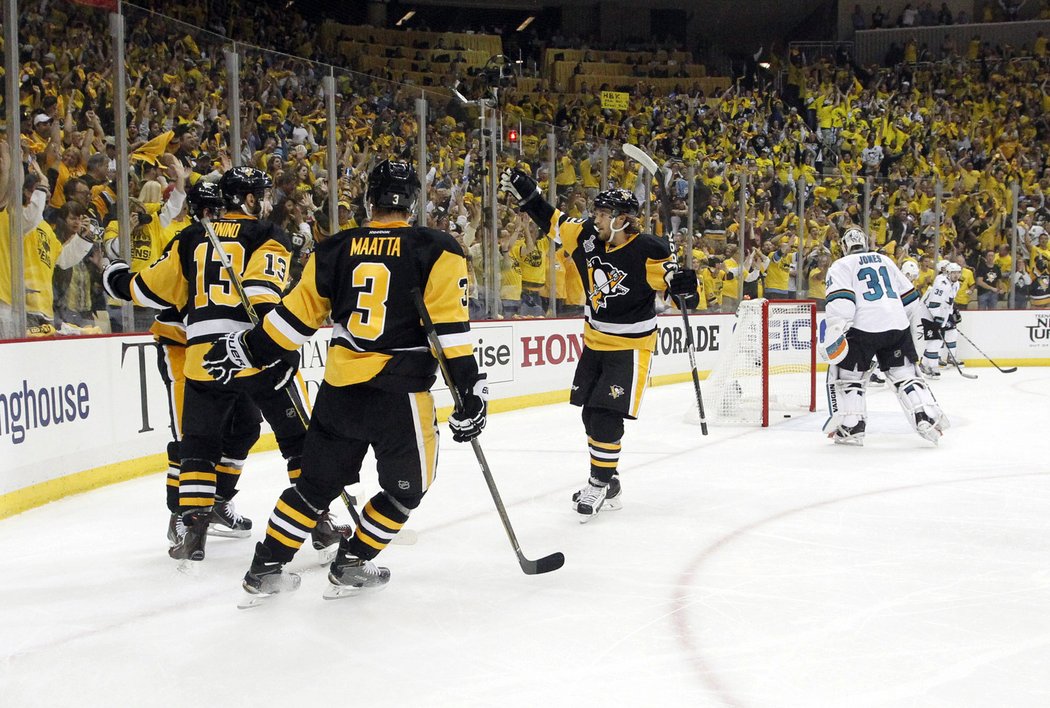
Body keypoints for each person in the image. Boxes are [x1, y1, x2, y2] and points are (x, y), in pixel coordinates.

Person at [202, 160, 485, 604]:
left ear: (369, 199)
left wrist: (246, 350)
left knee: (312, 487)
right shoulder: (437, 248)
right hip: (400, 394)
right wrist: (470, 392)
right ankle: (353, 560)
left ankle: (265, 568)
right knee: (407, 488)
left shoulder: (334, 248)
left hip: (340, 394)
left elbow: (292, 320)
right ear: (412, 201)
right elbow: (450, 331)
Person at [102, 166, 344, 563]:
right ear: (248, 199)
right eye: (261, 193)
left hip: (202, 358)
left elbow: (146, 289)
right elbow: (261, 296)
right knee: (300, 439)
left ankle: (193, 533)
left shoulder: (191, 237)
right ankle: (318, 520)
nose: (266, 200)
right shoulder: (268, 236)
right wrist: (278, 348)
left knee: (199, 444)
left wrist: (114, 275)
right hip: (252, 352)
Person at [500, 167, 699, 521]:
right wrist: (528, 195)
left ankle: (600, 481)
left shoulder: (649, 249)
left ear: (623, 220)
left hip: (631, 346)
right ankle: (610, 480)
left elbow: (683, 297)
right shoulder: (588, 235)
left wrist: (686, 285)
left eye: (604, 214)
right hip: (594, 341)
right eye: (597, 213)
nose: (597, 219)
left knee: (606, 414)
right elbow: (552, 220)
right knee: (590, 412)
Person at [819, 226, 948, 445]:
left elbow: (842, 303)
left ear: (844, 246)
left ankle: (852, 426)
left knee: (850, 379)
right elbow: (910, 300)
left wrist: (837, 331)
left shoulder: (840, 265)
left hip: (863, 329)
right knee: (905, 375)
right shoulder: (884, 260)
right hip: (897, 325)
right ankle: (926, 416)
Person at [919, 261, 962, 376]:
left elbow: (949, 301)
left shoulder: (956, 284)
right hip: (929, 313)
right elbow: (933, 304)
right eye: (953, 273)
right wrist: (937, 318)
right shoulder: (942, 284)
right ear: (948, 273)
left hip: (941, 313)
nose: (956, 275)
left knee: (937, 340)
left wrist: (952, 312)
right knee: (936, 340)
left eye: (958, 273)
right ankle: (933, 367)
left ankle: (923, 364)